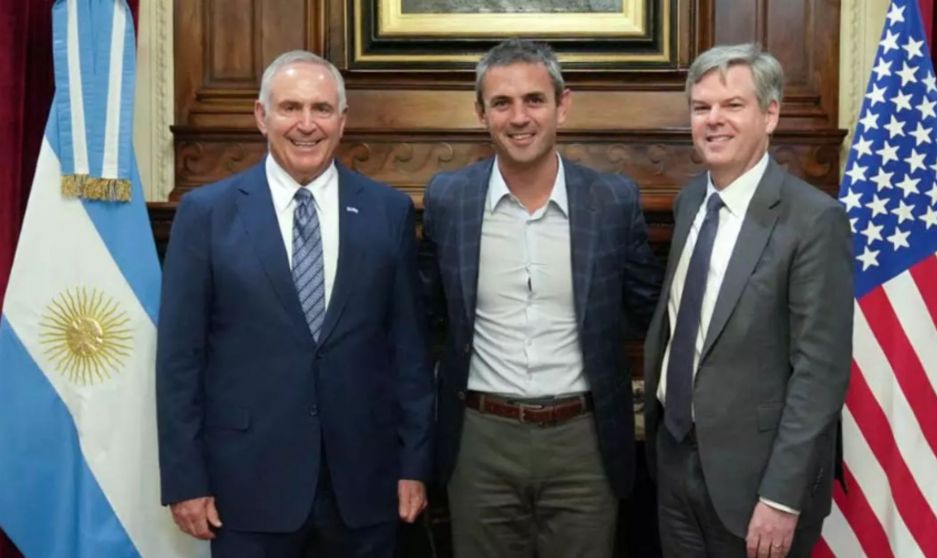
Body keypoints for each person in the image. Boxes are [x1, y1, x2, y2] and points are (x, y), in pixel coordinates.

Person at [156, 50, 433, 558]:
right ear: (262, 117)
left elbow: (408, 352)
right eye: (290, 108)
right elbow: (179, 360)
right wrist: (184, 479)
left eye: (322, 109)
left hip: (364, 488)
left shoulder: (386, 212)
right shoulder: (206, 215)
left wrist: (414, 465)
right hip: (246, 488)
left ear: (342, 121)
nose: (306, 125)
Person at [419, 38, 662, 558]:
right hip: (479, 439)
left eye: (534, 99)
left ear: (562, 105)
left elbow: (655, 314)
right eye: (501, 103)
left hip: (585, 442)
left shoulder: (612, 201)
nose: (519, 117)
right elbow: (425, 319)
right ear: (481, 112)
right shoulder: (449, 198)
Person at [643, 43, 853, 558]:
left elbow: (819, 373)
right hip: (673, 464)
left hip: (756, 483)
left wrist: (781, 497)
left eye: (732, 105)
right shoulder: (691, 200)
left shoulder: (813, 220)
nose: (714, 120)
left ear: (770, 114)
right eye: (701, 107)